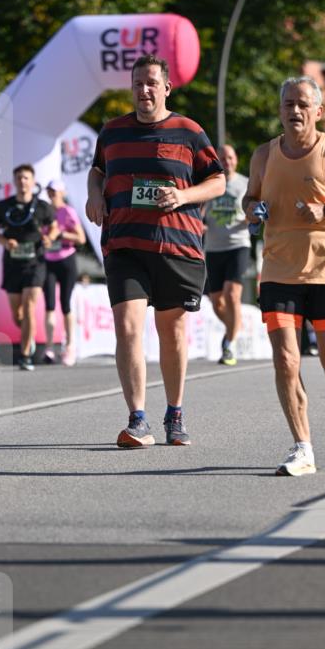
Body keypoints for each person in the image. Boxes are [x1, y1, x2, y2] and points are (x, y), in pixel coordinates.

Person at [85, 53, 225, 447]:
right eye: (137, 84)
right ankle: (137, 419)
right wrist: (93, 195)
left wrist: (183, 196)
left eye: (151, 83)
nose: (144, 90)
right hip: (124, 244)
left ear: (166, 88)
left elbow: (217, 181)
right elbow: (97, 171)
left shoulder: (188, 131)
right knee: (127, 327)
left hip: (176, 248)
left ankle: (174, 414)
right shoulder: (112, 132)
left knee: (172, 331)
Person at [243, 75, 325, 477]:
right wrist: (253, 210)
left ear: (318, 111)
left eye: (303, 104)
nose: (295, 111)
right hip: (279, 271)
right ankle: (303, 447)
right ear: (280, 110)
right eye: (288, 104)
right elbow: (250, 197)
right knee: (285, 360)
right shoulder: (264, 155)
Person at [0, 164, 58, 371]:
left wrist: (49, 238)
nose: (22, 181)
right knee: (17, 315)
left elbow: (54, 227)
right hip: (12, 264)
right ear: (14, 181)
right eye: (19, 178)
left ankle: (25, 355)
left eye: (26, 178)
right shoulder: (4, 206)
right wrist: (4, 241)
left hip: (35, 262)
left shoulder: (42, 206)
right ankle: (28, 336)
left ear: (33, 182)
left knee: (29, 308)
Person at [203, 144, 251, 366]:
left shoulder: (245, 183)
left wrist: (252, 217)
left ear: (236, 160)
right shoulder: (211, 183)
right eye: (222, 158)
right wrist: (199, 224)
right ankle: (233, 327)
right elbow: (200, 211)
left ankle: (229, 346)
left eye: (230, 157)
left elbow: (255, 208)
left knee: (232, 295)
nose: (227, 161)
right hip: (213, 248)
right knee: (217, 304)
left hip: (238, 245)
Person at [42, 178, 86, 367]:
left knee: (66, 304)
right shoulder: (45, 212)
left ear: (62, 193)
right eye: (50, 191)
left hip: (66, 260)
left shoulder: (67, 211)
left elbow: (81, 238)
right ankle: (50, 347)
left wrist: (62, 234)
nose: (52, 194)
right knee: (50, 305)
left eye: (55, 191)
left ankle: (70, 347)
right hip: (49, 260)